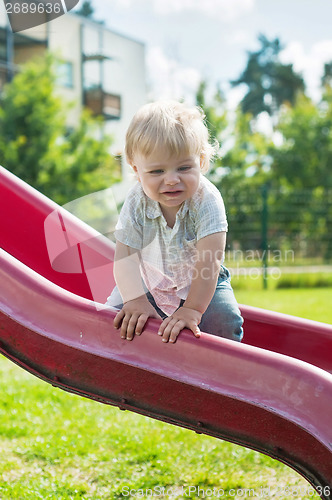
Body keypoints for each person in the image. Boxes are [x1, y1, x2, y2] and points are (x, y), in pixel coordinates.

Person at [106, 100, 243, 344]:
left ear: (201, 162)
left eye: (183, 167)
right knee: (111, 317)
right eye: (157, 172)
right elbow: (125, 255)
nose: (171, 179)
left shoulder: (206, 200)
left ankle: (224, 371)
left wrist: (192, 309)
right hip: (149, 279)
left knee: (223, 319)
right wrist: (135, 299)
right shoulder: (137, 200)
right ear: (136, 170)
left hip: (201, 283)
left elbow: (209, 262)